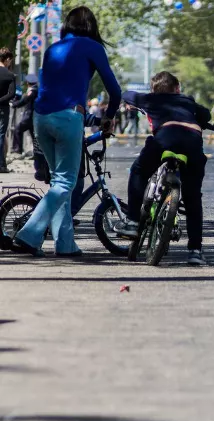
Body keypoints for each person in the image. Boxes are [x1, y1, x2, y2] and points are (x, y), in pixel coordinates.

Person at [6, 6, 121, 257]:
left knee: (60, 182)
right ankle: (28, 234)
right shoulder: (93, 47)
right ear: (92, 26)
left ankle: (65, 244)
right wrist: (108, 118)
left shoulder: (53, 49)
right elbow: (115, 91)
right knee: (66, 181)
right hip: (68, 117)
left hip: (41, 118)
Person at [113, 71, 214, 266]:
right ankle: (195, 250)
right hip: (192, 144)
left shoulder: (149, 99)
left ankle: (133, 221)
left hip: (164, 139)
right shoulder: (187, 100)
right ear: (177, 87)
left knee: (138, 171)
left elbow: (126, 94)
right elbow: (205, 114)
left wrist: (137, 100)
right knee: (193, 198)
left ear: (154, 89)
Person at [10, 74, 39, 157]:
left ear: (27, 83)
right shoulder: (37, 90)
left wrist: (14, 104)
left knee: (18, 129)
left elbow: (24, 100)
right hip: (34, 116)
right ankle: (37, 153)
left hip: (29, 116)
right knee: (34, 135)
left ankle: (17, 149)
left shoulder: (32, 91)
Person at [0, 48, 15, 173]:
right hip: (3, 108)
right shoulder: (9, 75)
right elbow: (12, 94)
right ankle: (1, 165)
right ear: (7, 59)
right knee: (0, 135)